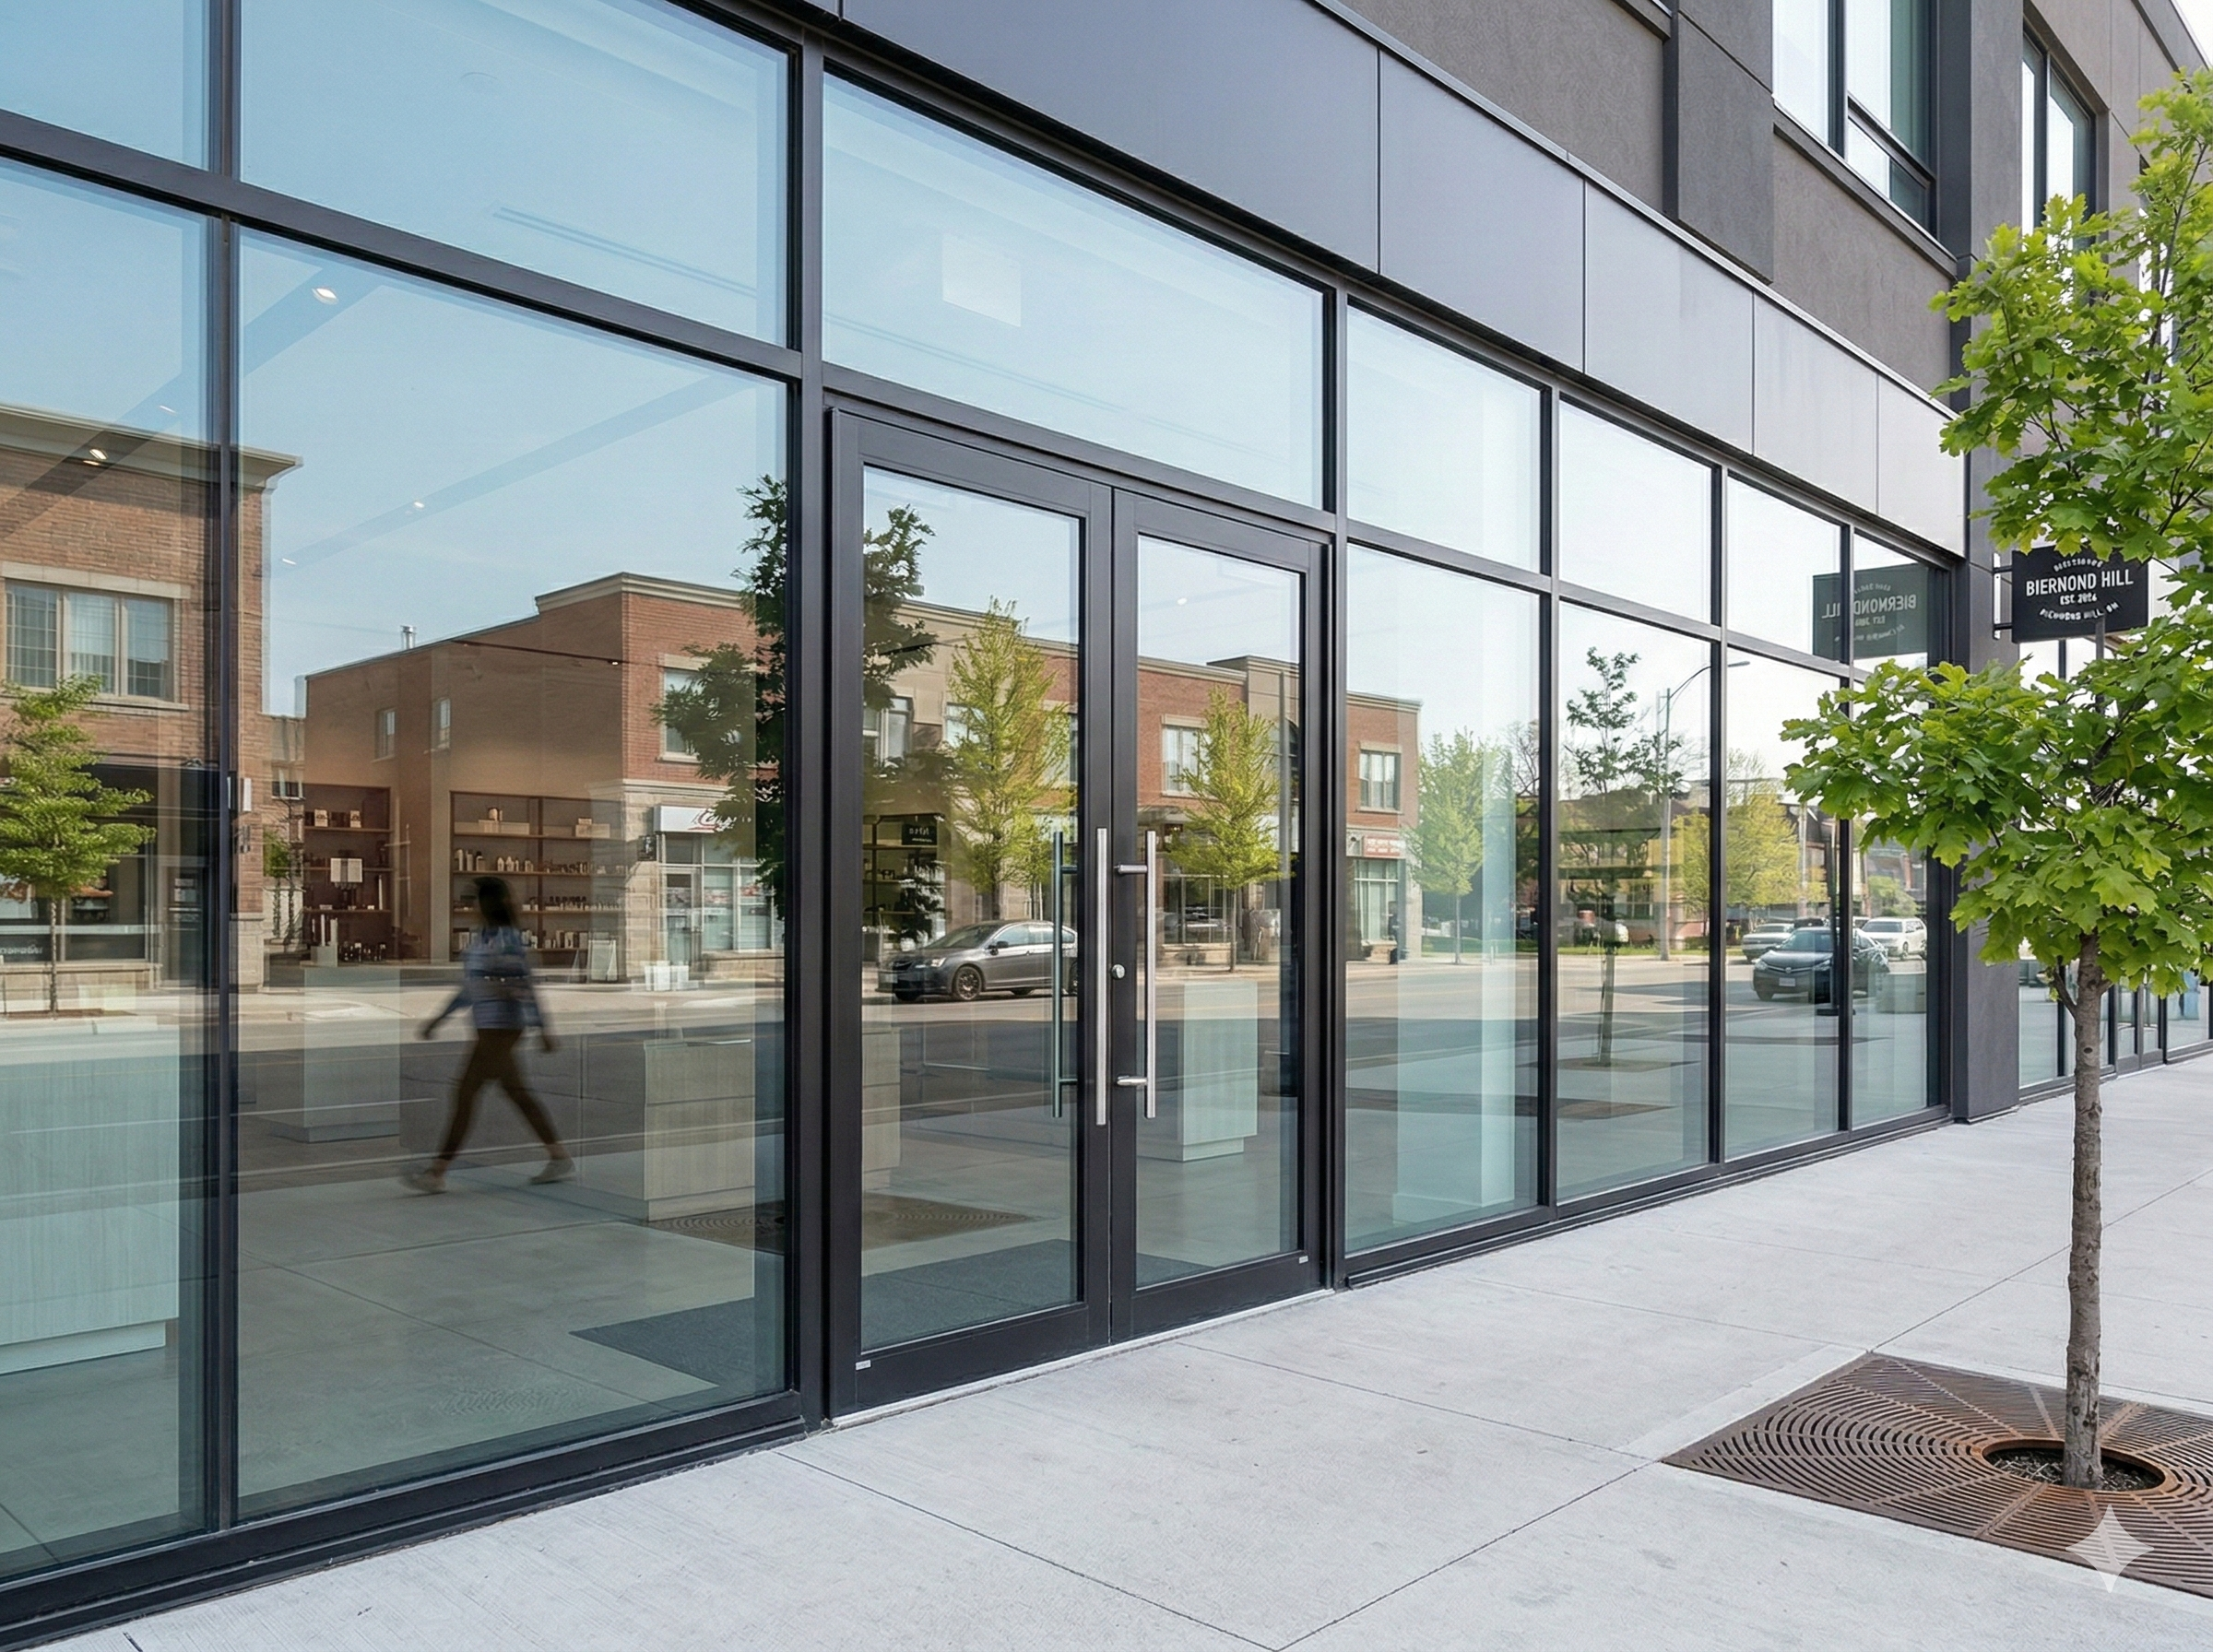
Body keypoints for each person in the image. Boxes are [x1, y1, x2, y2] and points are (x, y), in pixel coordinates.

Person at [402, 877, 572, 1194]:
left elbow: (524, 986)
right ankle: (559, 1156)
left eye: (476, 900)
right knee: (517, 1094)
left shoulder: (507, 940)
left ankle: (437, 1171)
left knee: (465, 1094)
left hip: (502, 1028)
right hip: (489, 1027)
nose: (471, 907)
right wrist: (440, 1017)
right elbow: (472, 988)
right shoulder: (483, 938)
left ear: (487, 904)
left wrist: (542, 1028)